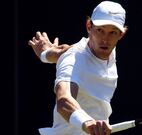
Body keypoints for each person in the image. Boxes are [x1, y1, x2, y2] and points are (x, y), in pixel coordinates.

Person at [28, 1, 127, 135]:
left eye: (112, 32)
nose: (105, 39)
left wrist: (45, 55)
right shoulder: (74, 58)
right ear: (89, 26)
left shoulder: (104, 50)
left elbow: (64, 50)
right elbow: (63, 100)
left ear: (121, 34)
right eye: (100, 30)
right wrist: (86, 122)